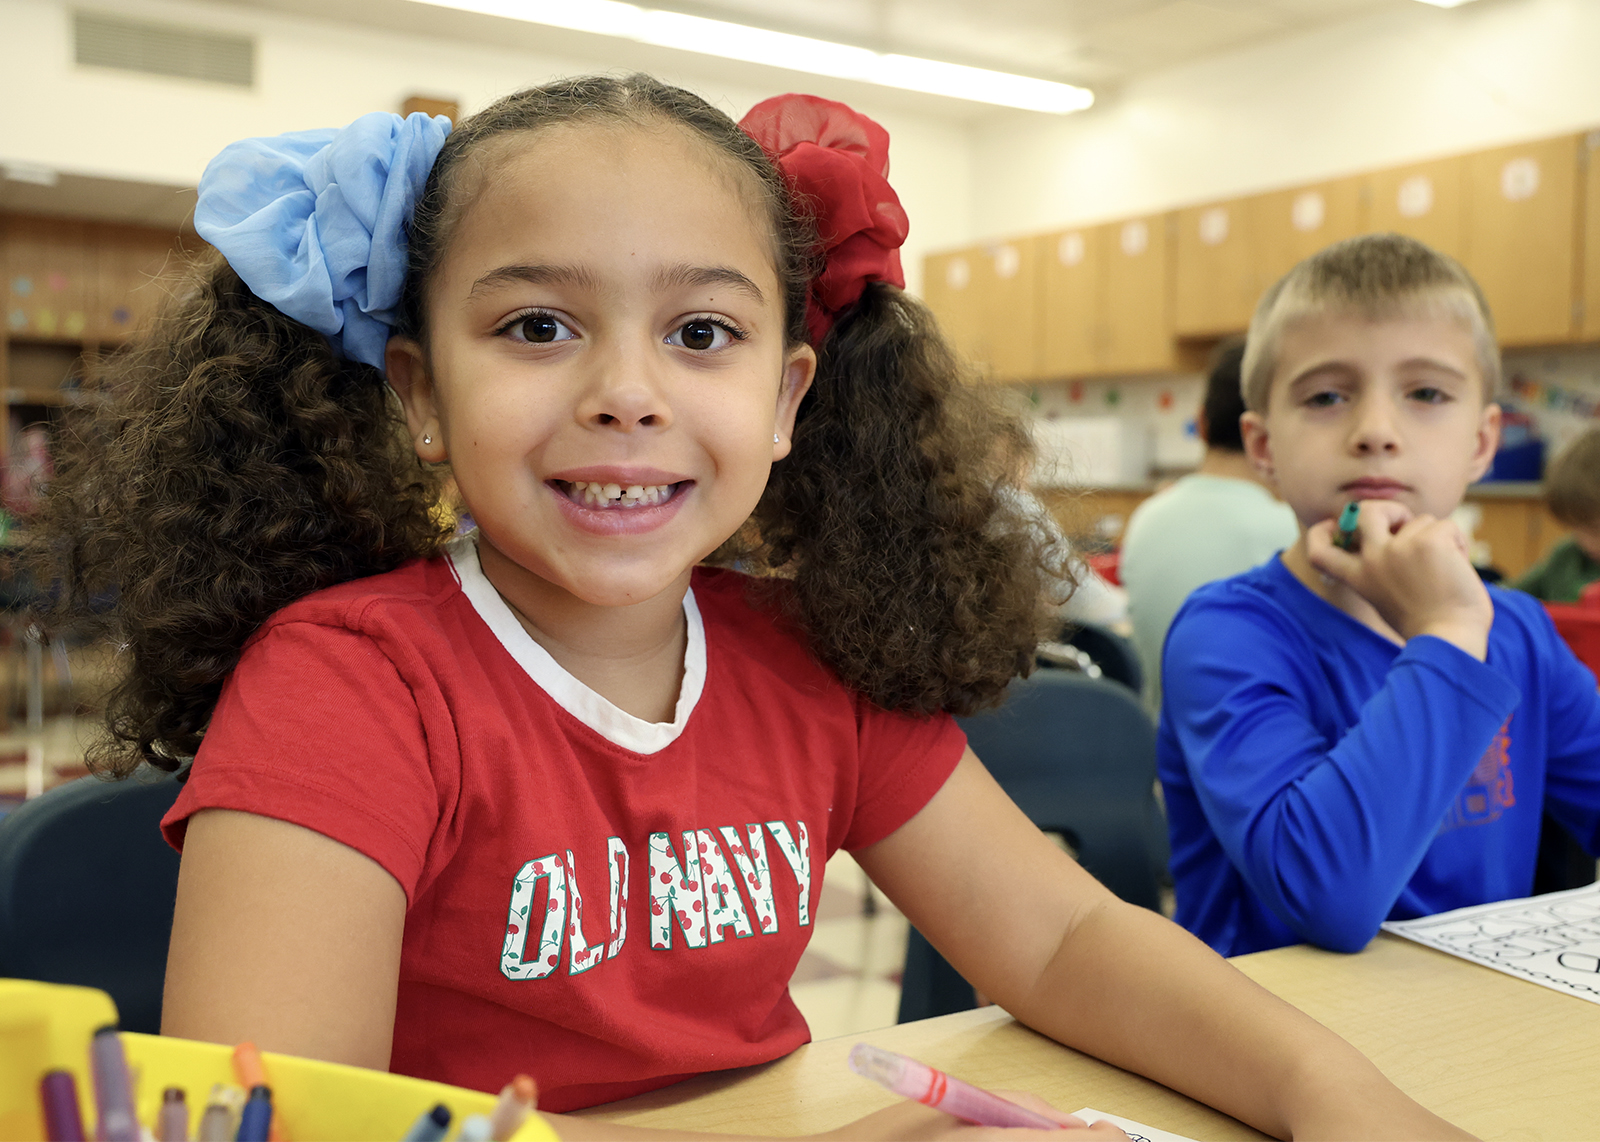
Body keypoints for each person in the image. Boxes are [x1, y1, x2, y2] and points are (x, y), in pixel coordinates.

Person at [39, 78, 1465, 1140]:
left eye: (703, 332)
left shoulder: (803, 658)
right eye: (537, 325)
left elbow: (1064, 942)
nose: (627, 388)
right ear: (421, 394)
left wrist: (1332, 1093)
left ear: (788, 398)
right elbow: (283, 1119)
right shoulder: (351, 687)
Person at [1159, 232, 1600, 961]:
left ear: (1483, 443)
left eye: (1426, 394)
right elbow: (1327, 899)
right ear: (1263, 448)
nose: (1376, 433)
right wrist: (1449, 627)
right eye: (1327, 396)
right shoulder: (1227, 634)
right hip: (1274, 1044)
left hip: (1481, 1038)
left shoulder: (1519, 630)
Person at [1118, 340, 1298, 710]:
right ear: (1266, 438)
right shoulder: (1296, 535)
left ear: (1201, 424)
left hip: (1159, 755)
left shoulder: (1147, 518)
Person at [1515, 427, 1600, 602]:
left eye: (1595, 530)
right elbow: (1509, 596)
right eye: (1575, 527)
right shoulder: (1566, 557)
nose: (1586, 542)